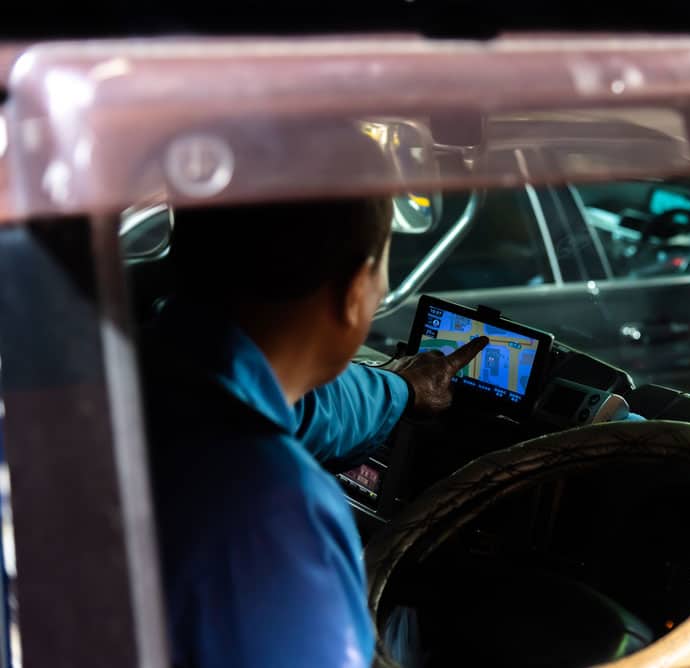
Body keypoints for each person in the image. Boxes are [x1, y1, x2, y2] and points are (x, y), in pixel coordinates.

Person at [141, 193, 488, 668]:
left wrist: (403, 389)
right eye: (383, 266)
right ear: (352, 293)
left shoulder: (132, 372)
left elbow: (308, 403)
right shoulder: (277, 511)